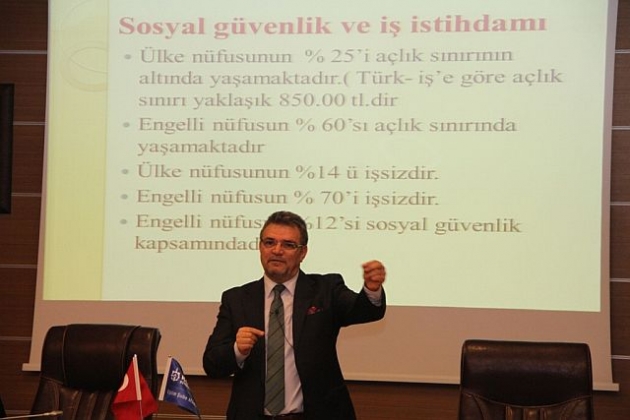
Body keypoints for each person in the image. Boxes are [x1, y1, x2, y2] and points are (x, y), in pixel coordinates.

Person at [203, 210, 386, 420]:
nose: (277, 250)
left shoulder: (325, 290)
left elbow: (362, 310)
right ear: (260, 247)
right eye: (269, 242)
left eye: (288, 245)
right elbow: (212, 364)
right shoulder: (237, 299)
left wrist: (371, 289)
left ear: (303, 252)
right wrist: (237, 350)